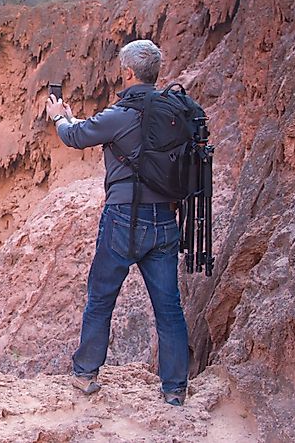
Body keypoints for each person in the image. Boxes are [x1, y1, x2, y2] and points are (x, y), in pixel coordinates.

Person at [45, 39, 189, 406]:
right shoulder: (175, 112)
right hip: (166, 222)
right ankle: (174, 390)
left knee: (101, 297)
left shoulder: (121, 114)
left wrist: (60, 116)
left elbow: (76, 136)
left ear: (127, 73)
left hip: (124, 219)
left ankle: (86, 374)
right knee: (168, 307)